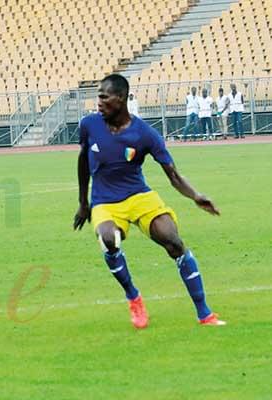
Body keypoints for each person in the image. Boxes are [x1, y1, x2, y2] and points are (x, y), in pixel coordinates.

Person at [73, 74, 225, 329]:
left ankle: (205, 313)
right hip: (105, 201)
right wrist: (83, 203)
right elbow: (82, 161)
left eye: (103, 96)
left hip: (140, 196)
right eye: (98, 96)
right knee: (109, 240)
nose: (98, 102)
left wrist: (196, 196)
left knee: (174, 242)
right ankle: (134, 297)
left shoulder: (145, 134)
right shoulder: (89, 125)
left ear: (120, 99)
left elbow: (173, 174)